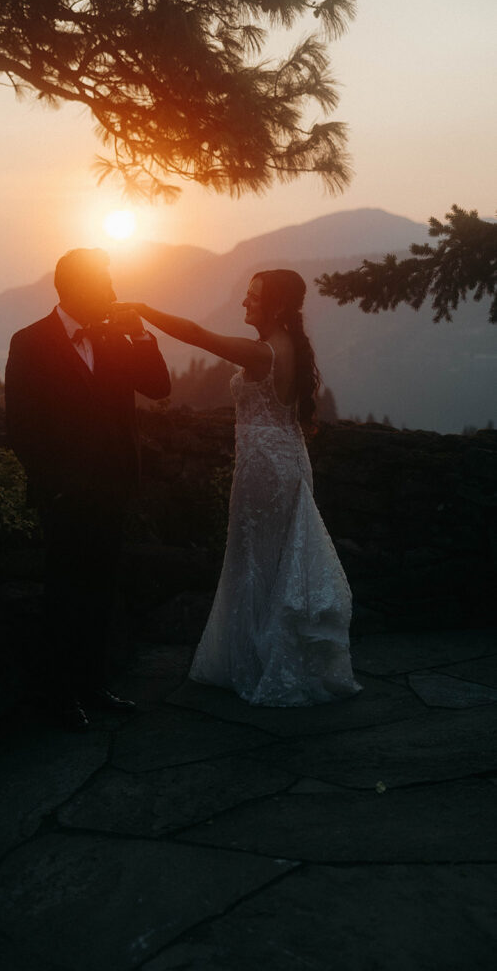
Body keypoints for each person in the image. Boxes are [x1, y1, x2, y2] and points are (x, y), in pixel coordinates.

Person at [113, 269, 361, 706]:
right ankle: (269, 654)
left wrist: (144, 310)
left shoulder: (263, 353)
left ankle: (259, 662)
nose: (244, 303)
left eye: (253, 297)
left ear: (278, 306)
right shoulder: (292, 348)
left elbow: (196, 334)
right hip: (286, 458)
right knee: (275, 558)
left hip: (264, 465)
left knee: (254, 559)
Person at [5, 248, 171, 729]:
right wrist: (56, 487)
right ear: (74, 287)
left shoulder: (118, 337)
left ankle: (92, 685)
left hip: (113, 489)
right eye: (104, 282)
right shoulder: (30, 342)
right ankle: (56, 697)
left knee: (100, 593)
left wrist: (140, 333)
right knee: (64, 596)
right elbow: (22, 424)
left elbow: (159, 387)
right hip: (64, 497)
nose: (114, 292)